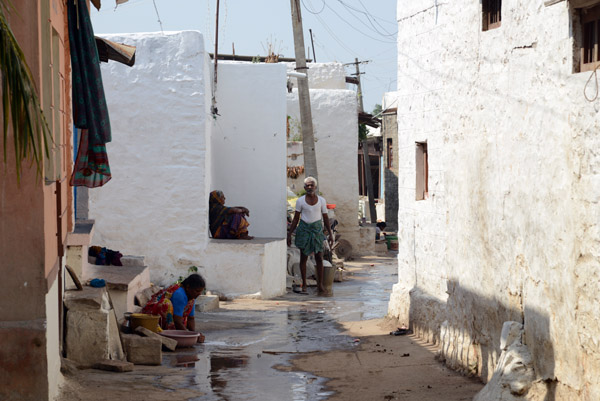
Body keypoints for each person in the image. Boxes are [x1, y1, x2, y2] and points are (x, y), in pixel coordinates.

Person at [287, 177, 334, 295]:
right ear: (304, 187)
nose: (309, 187)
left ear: (315, 187)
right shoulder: (300, 201)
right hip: (304, 230)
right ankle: (304, 285)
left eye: (311, 185)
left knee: (319, 257)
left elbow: (326, 218)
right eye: (307, 185)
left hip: (317, 230)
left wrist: (330, 234)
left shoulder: (322, 201)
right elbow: (296, 218)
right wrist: (289, 234)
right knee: (304, 257)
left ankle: (320, 285)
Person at [142, 273, 206, 342]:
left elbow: (191, 319)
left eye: (200, 291)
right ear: (188, 287)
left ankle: (174, 332)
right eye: (197, 291)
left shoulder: (191, 297)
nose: (199, 294)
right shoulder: (180, 294)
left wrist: (195, 334)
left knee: (183, 320)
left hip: (174, 319)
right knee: (166, 304)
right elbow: (177, 321)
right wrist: (191, 336)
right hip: (152, 317)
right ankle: (168, 333)